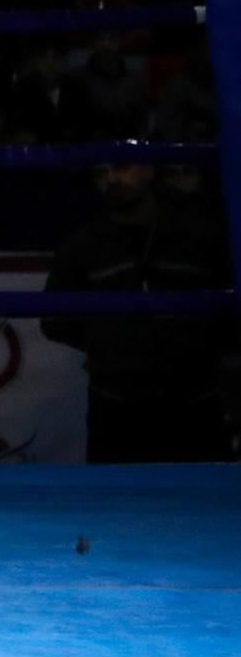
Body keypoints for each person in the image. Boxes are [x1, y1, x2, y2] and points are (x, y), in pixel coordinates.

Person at [39, 163, 236, 462]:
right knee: (120, 491)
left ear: (148, 169)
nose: (110, 179)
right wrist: (109, 343)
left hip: (192, 399)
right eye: (100, 173)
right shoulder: (82, 246)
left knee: (207, 489)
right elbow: (53, 319)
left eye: (120, 167)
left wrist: (198, 344)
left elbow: (229, 311)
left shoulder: (200, 237)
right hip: (118, 404)